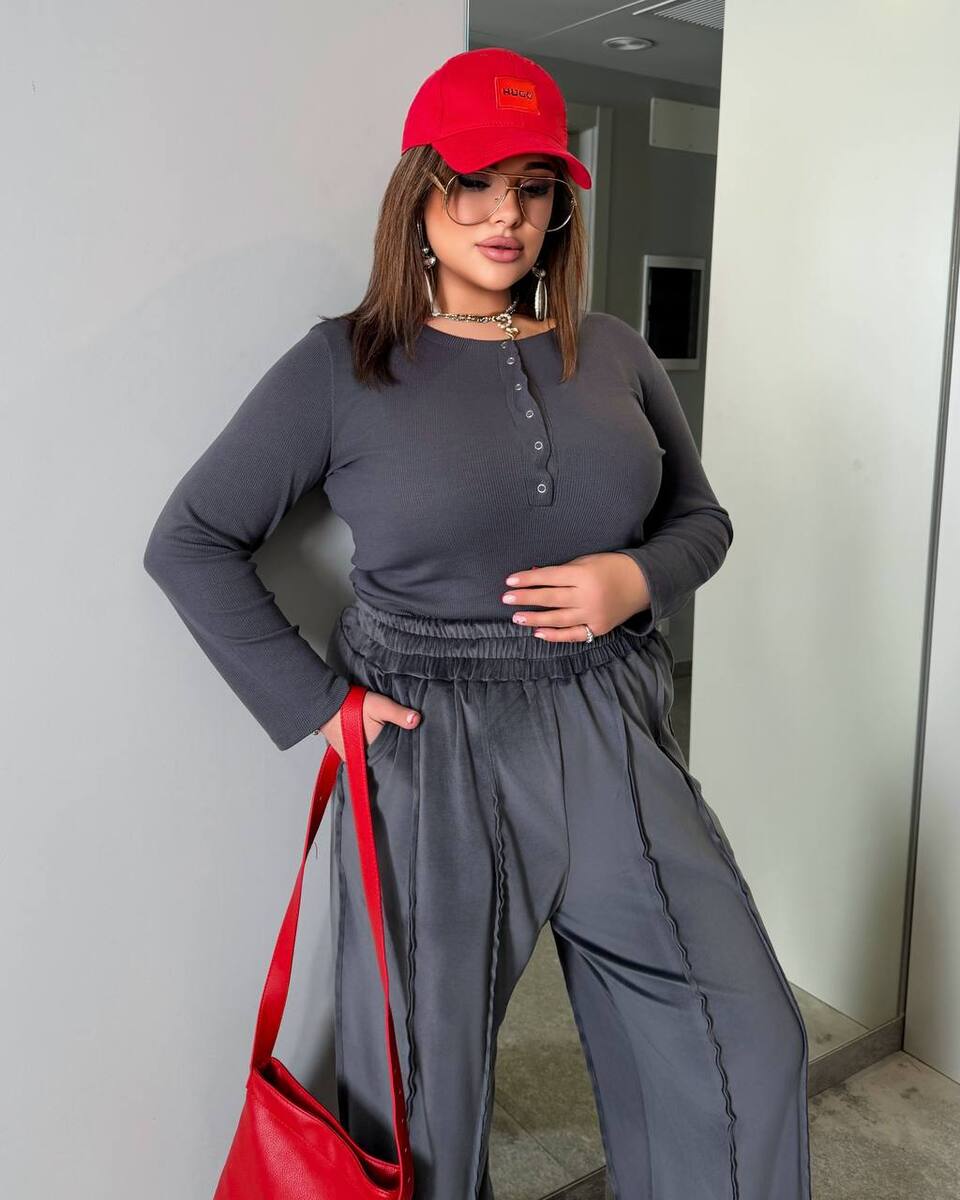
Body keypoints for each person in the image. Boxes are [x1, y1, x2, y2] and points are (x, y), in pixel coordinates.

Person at [143, 46, 810, 1200]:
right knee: (420, 1097)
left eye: (534, 188)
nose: (508, 215)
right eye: (476, 183)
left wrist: (635, 580)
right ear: (420, 193)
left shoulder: (614, 351)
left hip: (610, 723)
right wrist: (321, 708)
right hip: (428, 745)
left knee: (745, 1040)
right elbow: (190, 539)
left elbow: (701, 518)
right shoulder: (344, 365)